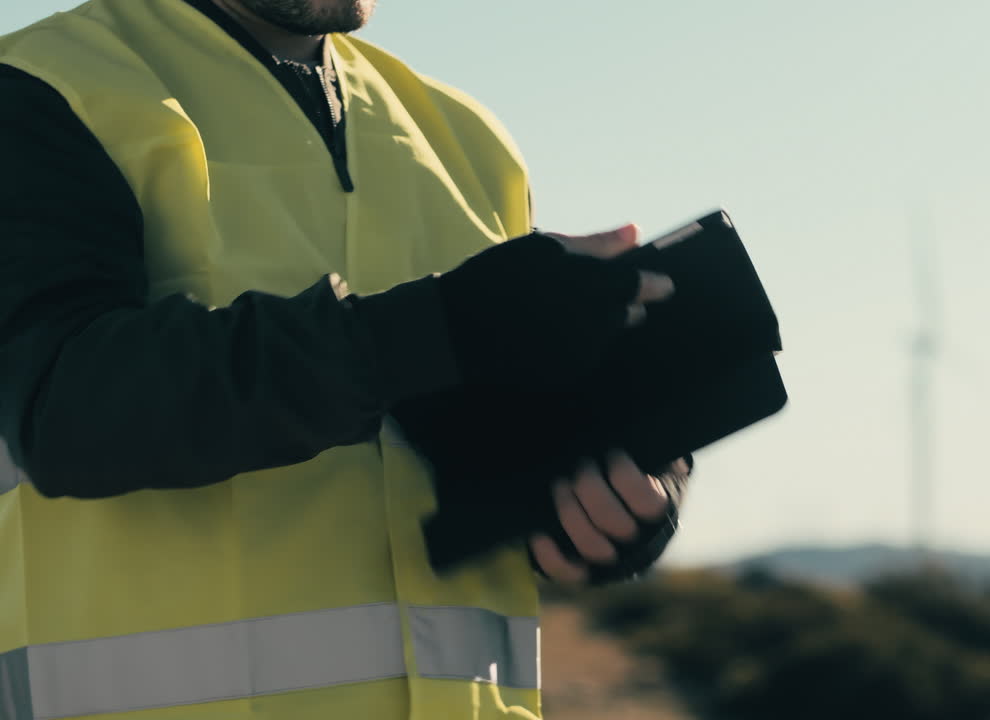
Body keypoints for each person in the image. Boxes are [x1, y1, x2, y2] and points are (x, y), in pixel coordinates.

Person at [0, 0, 693, 718]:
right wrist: (439, 327)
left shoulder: (467, 136)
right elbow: (67, 405)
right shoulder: (40, 84)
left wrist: (621, 481)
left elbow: (462, 435)